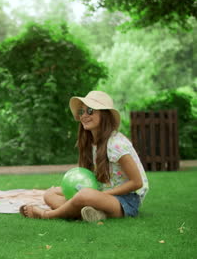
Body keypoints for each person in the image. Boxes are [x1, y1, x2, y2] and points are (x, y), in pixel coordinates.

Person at [20, 90, 149, 222]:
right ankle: (93, 214)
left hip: (124, 201)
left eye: (90, 110)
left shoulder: (117, 144)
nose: (84, 115)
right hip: (97, 193)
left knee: (85, 195)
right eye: (81, 112)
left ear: (104, 115)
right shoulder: (89, 143)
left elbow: (137, 182)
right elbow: (86, 177)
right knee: (50, 194)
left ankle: (46, 215)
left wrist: (100, 194)